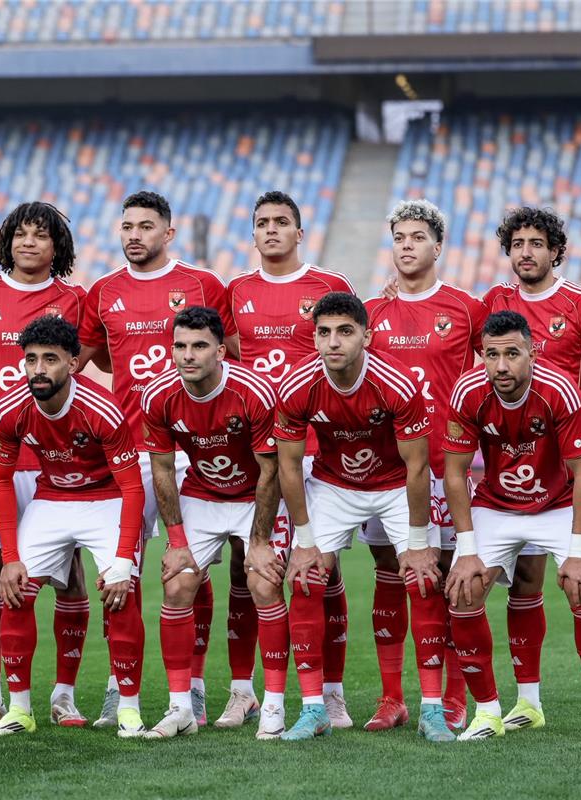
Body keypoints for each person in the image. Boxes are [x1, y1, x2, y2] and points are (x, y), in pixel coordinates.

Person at [77, 190, 237, 727]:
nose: (134, 235)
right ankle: (117, 686)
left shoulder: (202, 284)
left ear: (168, 233)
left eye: (146, 226)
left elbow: (234, 352)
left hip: (191, 447)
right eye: (127, 226)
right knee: (120, 567)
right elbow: (88, 358)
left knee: (191, 566)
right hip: (128, 449)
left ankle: (192, 687)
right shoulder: (103, 291)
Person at [442, 310, 581, 743]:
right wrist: (467, 550)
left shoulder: (559, 389)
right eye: (492, 355)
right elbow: (455, 473)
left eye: (512, 354)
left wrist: (577, 553)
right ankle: (487, 713)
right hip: (498, 505)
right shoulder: (468, 390)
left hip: (559, 503)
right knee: (462, 591)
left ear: (532, 353)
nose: (501, 366)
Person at [483, 207, 581, 732]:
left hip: (576, 463)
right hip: (518, 465)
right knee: (524, 580)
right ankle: (528, 702)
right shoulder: (494, 303)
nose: (526, 252)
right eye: (518, 243)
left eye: (537, 243)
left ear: (555, 251)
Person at [222, 190, 356, 729]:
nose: (272, 229)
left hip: (315, 451)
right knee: (247, 565)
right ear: (253, 233)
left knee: (319, 568)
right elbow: (231, 355)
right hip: (256, 451)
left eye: (282, 222)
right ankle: (242, 691)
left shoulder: (329, 285)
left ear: (299, 233)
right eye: (263, 222)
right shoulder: (237, 290)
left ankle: (331, 694)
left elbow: (352, 348)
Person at [274, 291, 434, 741]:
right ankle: (314, 709)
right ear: (314, 337)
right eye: (324, 332)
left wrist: (418, 544)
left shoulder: (396, 383)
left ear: (367, 335)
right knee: (305, 579)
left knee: (422, 579)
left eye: (345, 331)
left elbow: (418, 466)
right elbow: (289, 466)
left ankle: (431, 709)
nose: (333, 342)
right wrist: (304, 542)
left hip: (395, 484)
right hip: (334, 486)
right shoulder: (297, 385)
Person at [0, 202, 91, 726]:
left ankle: (64, 694)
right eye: (20, 234)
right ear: (6, 242)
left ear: (58, 246)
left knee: (69, 575)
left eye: (41, 235)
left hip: (56, 459)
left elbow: (89, 360)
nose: (29, 242)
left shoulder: (74, 300)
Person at [0, 316, 147, 738]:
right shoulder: (9, 409)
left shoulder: (101, 410)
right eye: (31, 359)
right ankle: (20, 710)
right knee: (16, 590)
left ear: (72, 364)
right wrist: (10, 558)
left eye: (50, 359)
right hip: (52, 499)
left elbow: (133, 489)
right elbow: (1, 482)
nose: (38, 369)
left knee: (121, 593)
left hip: (106, 498)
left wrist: (123, 562)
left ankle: (129, 709)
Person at [363, 199, 487, 739]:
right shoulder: (371, 311)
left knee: (442, 580)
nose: (407, 246)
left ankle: (453, 697)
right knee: (389, 573)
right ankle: (392, 697)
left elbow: (502, 362)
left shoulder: (465, 308)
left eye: (417, 237)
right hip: (385, 471)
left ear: (438, 246)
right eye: (399, 238)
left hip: (443, 467)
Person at [139, 306, 285, 739]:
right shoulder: (158, 395)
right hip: (203, 493)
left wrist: (259, 541)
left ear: (220, 351)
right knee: (177, 583)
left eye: (199, 346)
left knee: (262, 581)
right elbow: (163, 470)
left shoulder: (254, 392)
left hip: (253, 494)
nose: (188, 355)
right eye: (180, 346)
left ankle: (268, 703)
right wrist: (177, 541)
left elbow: (271, 470)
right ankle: (181, 708)